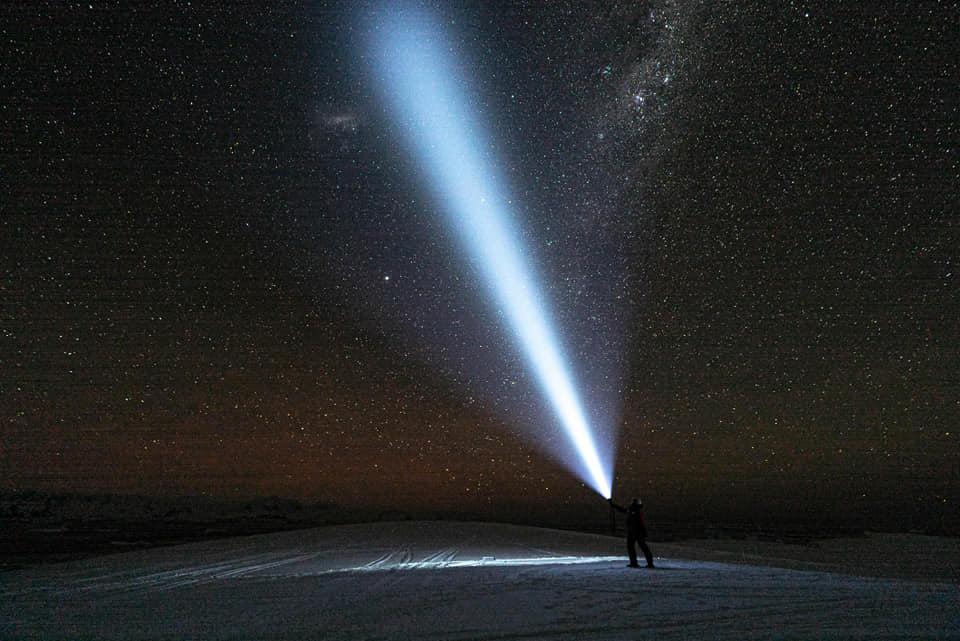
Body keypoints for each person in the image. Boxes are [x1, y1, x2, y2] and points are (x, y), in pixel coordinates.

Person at [608, 497, 654, 568]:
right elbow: (623, 510)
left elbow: (624, 511)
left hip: (635, 532)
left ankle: (637, 563)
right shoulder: (635, 510)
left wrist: (613, 505)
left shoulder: (634, 510)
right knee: (640, 547)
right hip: (635, 532)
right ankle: (645, 563)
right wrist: (613, 504)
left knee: (636, 547)